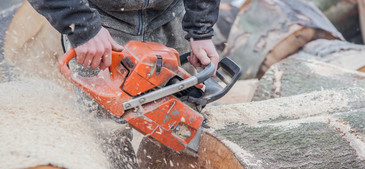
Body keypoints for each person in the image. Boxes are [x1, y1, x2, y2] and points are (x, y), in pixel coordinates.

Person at [28, 0, 221, 74]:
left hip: (170, 16)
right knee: (107, 132)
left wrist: (200, 29)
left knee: (185, 116)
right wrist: (82, 25)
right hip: (100, 23)